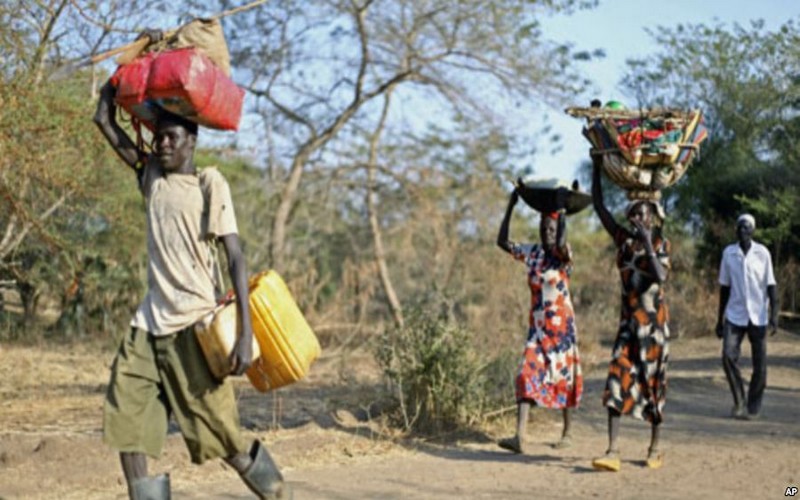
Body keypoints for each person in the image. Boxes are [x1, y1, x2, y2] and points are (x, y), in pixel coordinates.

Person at [93, 71, 288, 498]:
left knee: (222, 437)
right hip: (148, 325)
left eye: (172, 138)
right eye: (159, 137)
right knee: (127, 421)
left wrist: (244, 331)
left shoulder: (209, 183)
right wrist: (118, 77)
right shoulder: (150, 179)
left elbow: (235, 256)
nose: (163, 144)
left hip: (195, 326)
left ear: (192, 141)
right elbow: (104, 121)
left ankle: (277, 493)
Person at [590, 158, 670, 472]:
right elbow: (599, 206)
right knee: (616, 377)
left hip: (653, 329)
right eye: (634, 212)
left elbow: (661, 276)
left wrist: (649, 242)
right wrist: (597, 165)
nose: (637, 217)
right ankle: (612, 450)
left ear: (653, 218)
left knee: (653, 386)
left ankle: (655, 447)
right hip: (628, 325)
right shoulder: (623, 242)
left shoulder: (661, 243)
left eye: (643, 213)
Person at [495, 188, 583, 454]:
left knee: (564, 377)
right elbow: (502, 242)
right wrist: (510, 206)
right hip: (537, 329)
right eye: (544, 227)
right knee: (525, 374)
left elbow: (562, 243)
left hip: (562, 330)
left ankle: (567, 433)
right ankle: (519, 436)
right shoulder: (532, 253)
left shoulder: (563, 255)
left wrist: (564, 213)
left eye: (552, 228)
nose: (548, 232)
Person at [716, 213, 778, 420]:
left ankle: (753, 405)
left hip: (758, 315)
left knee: (760, 365)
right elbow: (724, 288)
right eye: (739, 228)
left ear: (752, 231)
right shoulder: (729, 254)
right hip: (735, 314)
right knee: (727, 356)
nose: (742, 231)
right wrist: (719, 319)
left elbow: (771, 285)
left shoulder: (763, 253)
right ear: (736, 230)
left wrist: (774, 315)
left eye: (746, 228)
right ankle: (739, 400)